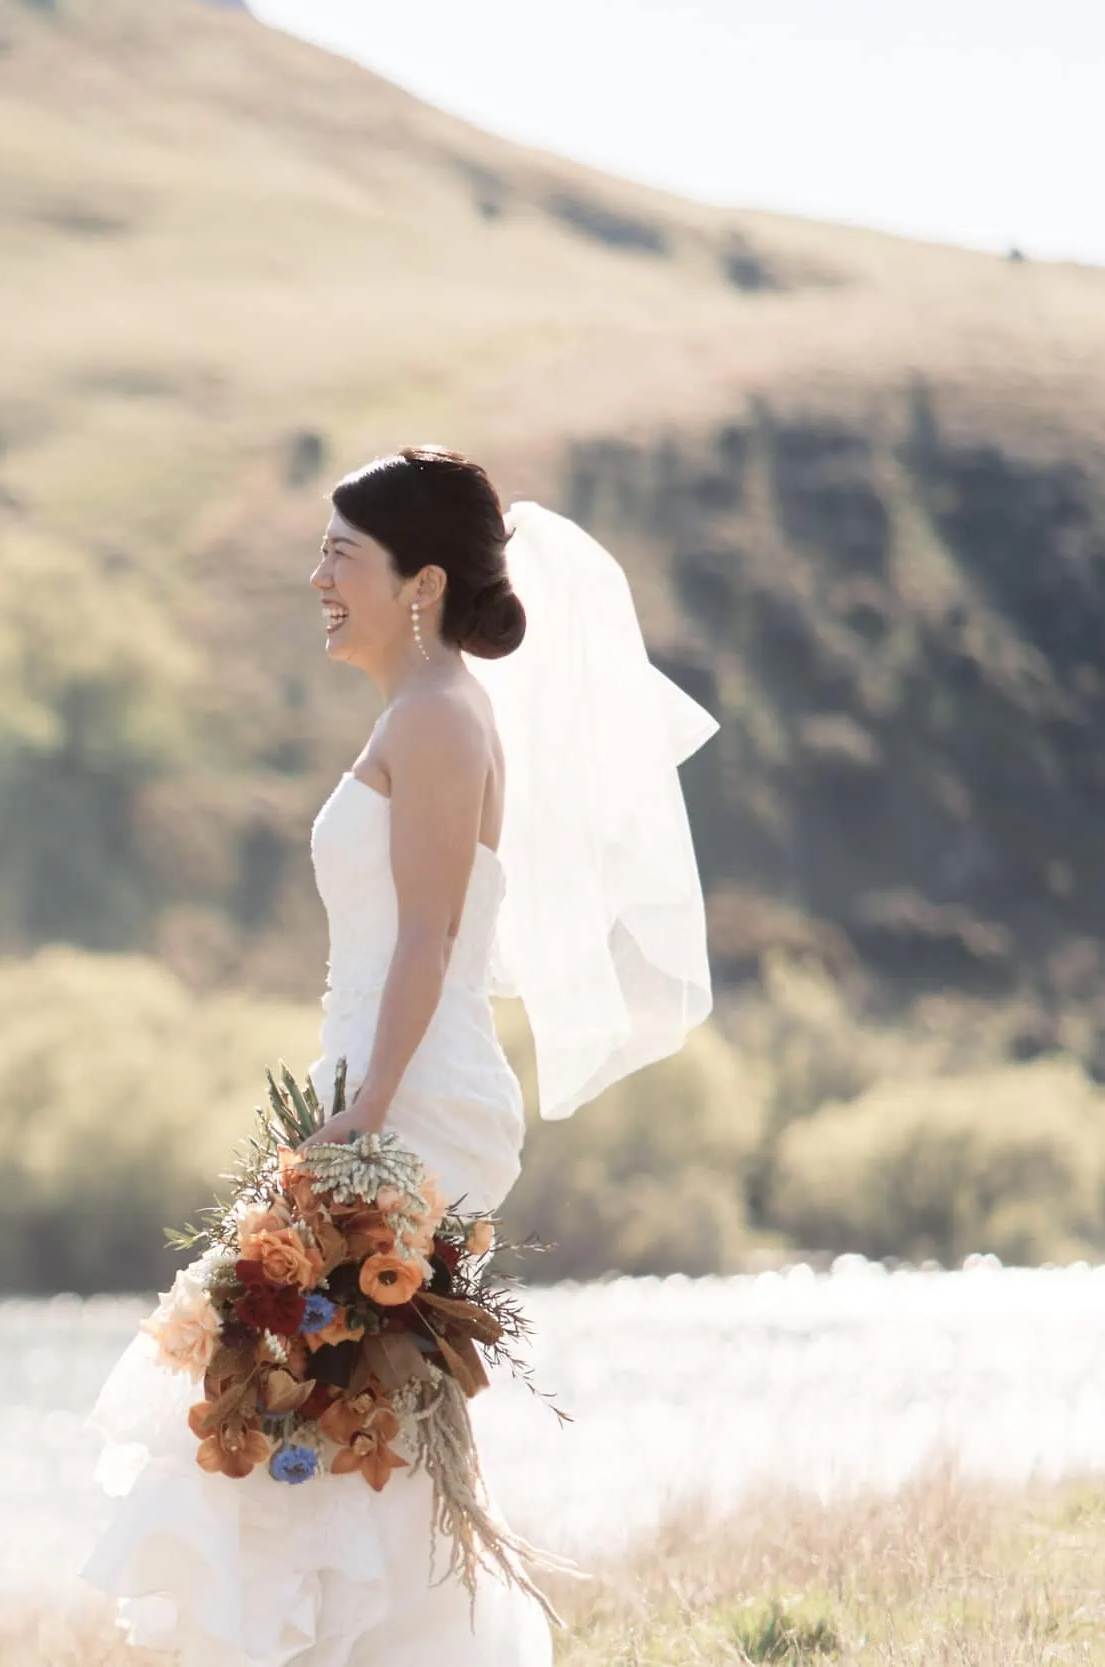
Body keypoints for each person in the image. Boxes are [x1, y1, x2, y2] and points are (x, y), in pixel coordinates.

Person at [82, 446, 717, 1663]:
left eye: (338, 554)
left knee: (327, 1406)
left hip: (406, 1098)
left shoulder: (433, 718)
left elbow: (428, 938)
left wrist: (362, 1126)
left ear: (419, 581)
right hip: (381, 1081)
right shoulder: (423, 711)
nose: (314, 574)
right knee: (340, 1414)